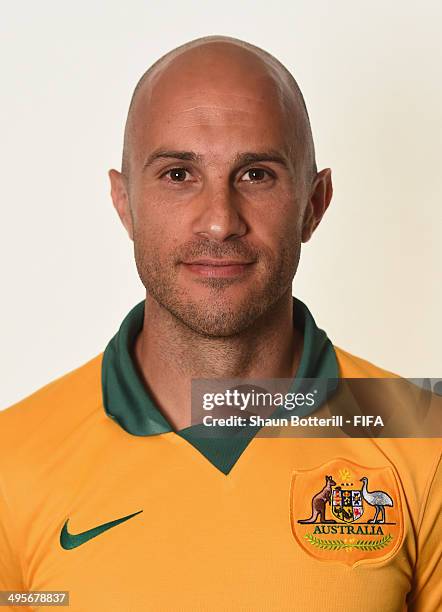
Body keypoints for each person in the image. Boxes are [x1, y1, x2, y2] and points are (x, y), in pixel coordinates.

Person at [0, 35, 440, 612]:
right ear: (124, 202)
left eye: (256, 174)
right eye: (179, 174)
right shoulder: (12, 460)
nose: (218, 221)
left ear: (314, 202)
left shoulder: (425, 439)